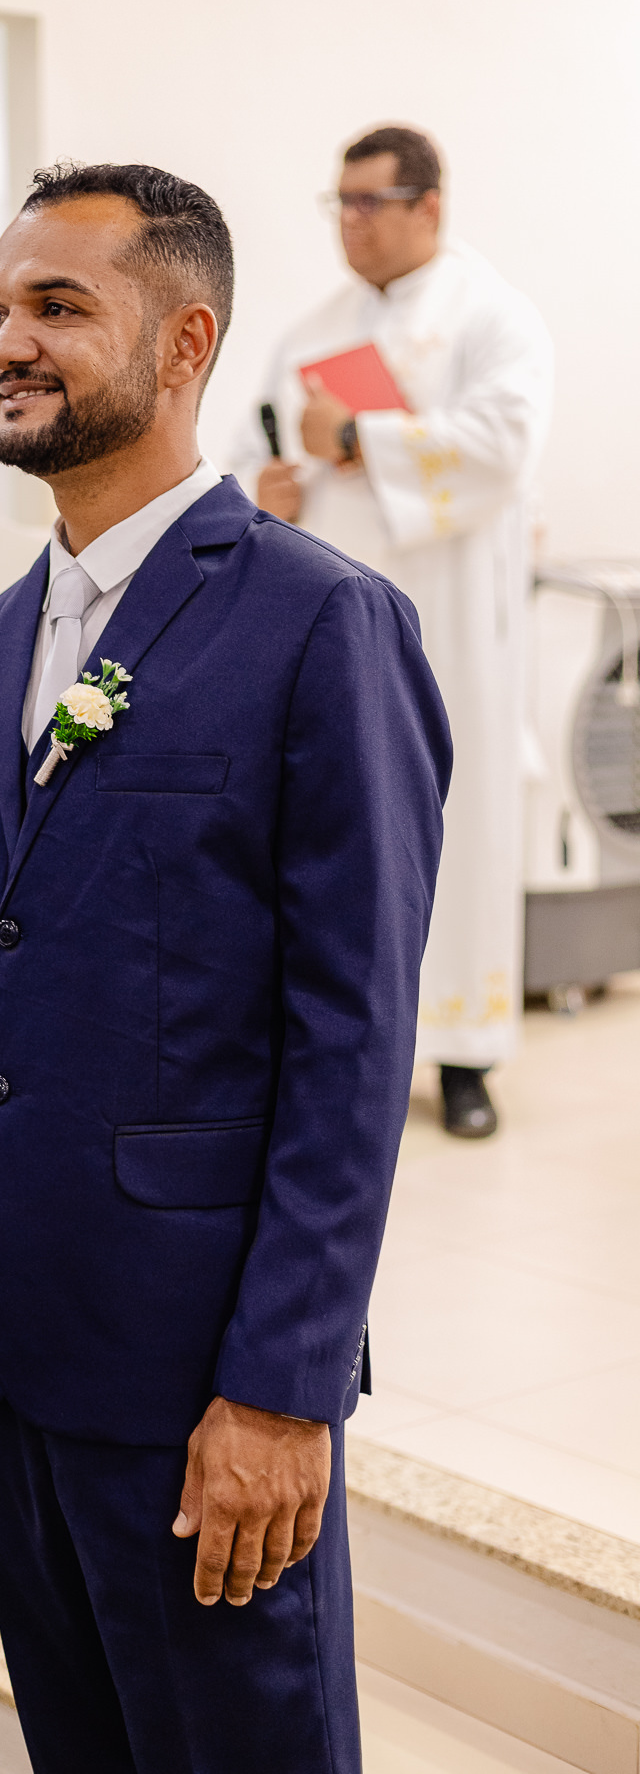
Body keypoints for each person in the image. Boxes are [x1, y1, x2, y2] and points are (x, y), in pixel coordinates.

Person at [0, 162, 450, 1774]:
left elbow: (352, 1041)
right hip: (21, 1350)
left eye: (59, 306)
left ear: (186, 343)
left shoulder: (323, 625)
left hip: (206, 1378)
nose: (6, 343)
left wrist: (283, 1389)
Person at [243, 125, 552, 1138]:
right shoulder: (309, 332)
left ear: (430, 205)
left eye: (369, 203)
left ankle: (464, 1056)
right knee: (337, 819)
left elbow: (504, 447)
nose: (350, 224)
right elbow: (262, 446)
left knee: (454, 824)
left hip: (453, 618)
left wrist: (361, 438)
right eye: (338, 203)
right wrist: (274, 485)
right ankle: (349, 1046)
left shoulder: (493, 316)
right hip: (335, 616)